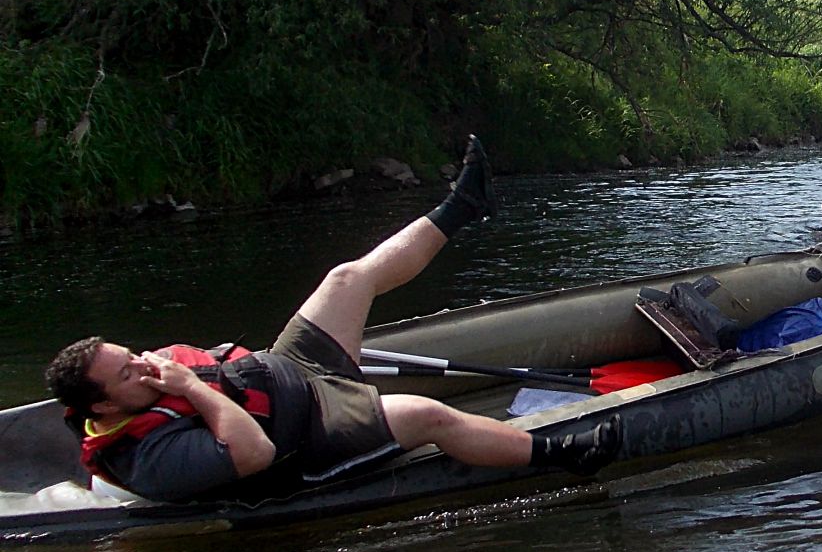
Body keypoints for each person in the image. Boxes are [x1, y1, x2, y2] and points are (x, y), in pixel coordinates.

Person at [45, 136, 623, 502]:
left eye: (130, 356)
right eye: (126, 375)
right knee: (427, 415)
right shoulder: (151, 460)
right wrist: (192, 387)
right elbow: (254, 455)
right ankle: (566, 454)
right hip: (313, 429)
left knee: (348, 278)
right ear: (102, 408)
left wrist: (194, 372)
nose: (142, 368)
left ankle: (465, 205)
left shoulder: (144, 381)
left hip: (289, 367)